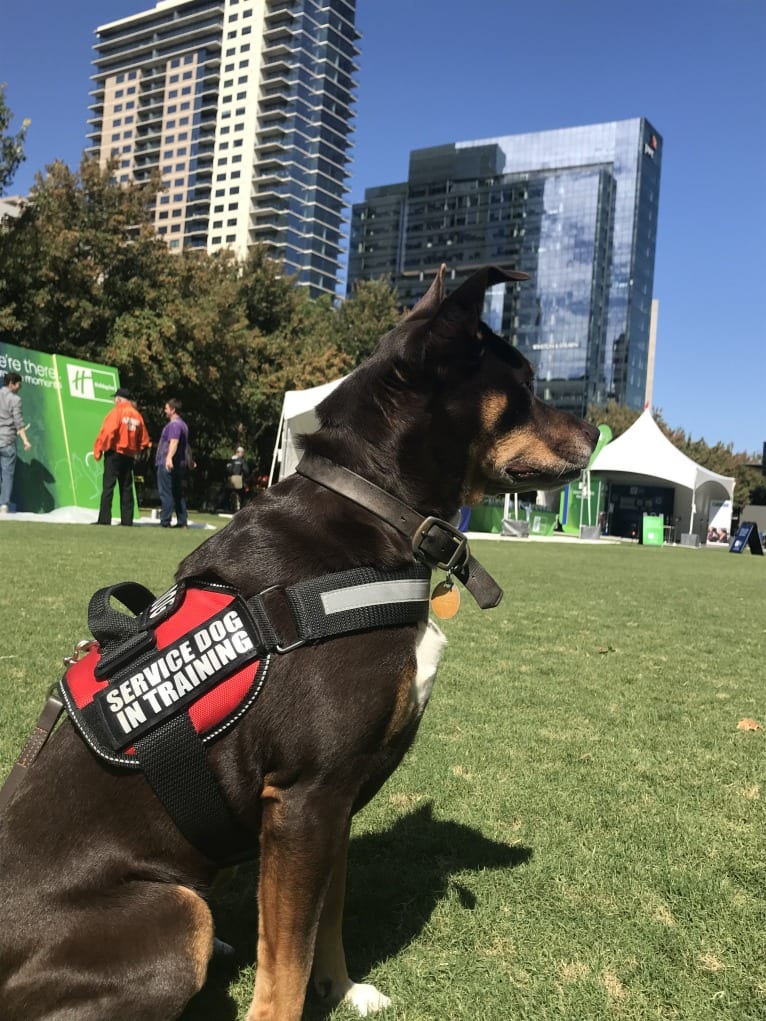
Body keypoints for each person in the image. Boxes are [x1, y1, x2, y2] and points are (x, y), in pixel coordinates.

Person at [93, 387, 150, 526]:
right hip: (129, 456)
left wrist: (100, 449)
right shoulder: (137, 415)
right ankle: (127, 520)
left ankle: (104, 519)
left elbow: (108, 432)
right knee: (126, 488)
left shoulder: (117, 412)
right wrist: (135, 449)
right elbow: (144, 440)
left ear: (118, 399)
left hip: (114, 453)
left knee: (108, 487)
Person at [156, 398, 192, 528]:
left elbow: (174, 441)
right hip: (180, 464)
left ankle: (165, 521)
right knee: (178, 493)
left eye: (166, 408)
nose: (165, 411)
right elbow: (187, 446)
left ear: (173, 410)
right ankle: (182, 521)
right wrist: (190, 461)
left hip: (168, 463)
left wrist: (169, 458)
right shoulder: (184, 425)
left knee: (166, 492)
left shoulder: (174, 425)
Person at [0, 372, 32, 513]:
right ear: (12, 383)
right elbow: (18, 423)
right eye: (19, 384)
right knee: (7, 475)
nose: (20, 388)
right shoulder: (15, 400)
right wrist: (25, 441)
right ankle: (3, 505)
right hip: (7, 441)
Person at [225, 444, 252, 512]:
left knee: (227, 494)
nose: (243, 454)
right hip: (238, 480)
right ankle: (242, 508)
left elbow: (226, 470)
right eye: (242, 452)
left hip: (230, 479)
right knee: (242, 494)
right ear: (238, 452)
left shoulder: (230, 460)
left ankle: (228, 508)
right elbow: (246, 470)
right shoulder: (242, 461)